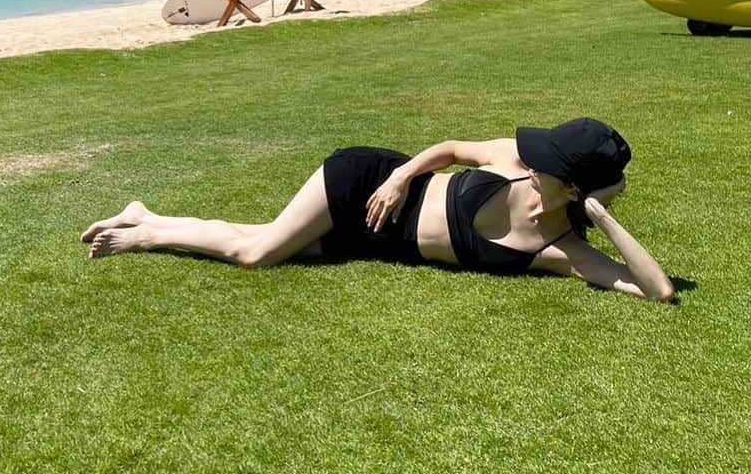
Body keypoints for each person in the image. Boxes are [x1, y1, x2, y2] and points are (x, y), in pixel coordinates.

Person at [81, 118, 675, 301]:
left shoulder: (561, 249)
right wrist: (398, 175)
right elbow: (447, 149)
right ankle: (143, 236)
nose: (535, 154)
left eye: (551, 159)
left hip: (376, 239)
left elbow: (657, 292)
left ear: (574, 187)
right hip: (368, 186)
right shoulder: (514, 162)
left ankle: (147, 215)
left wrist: (600, 215)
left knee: (256, 237)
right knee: (256, 253)